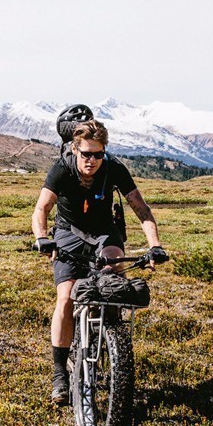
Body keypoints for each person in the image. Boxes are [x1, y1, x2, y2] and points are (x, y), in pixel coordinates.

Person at [32, 119, 168, 405]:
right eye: (86, 154)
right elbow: (42, 208)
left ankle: (111, 332)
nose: (92, 160)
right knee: (66, 297)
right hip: (69, 233)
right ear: (75, 150)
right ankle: (59, 372)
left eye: (98, 154)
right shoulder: (61, 169)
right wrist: (43, 238)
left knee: (115, 270)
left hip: (105, 231)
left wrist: (155, 245)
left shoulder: (114, 168)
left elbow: (141, 208)